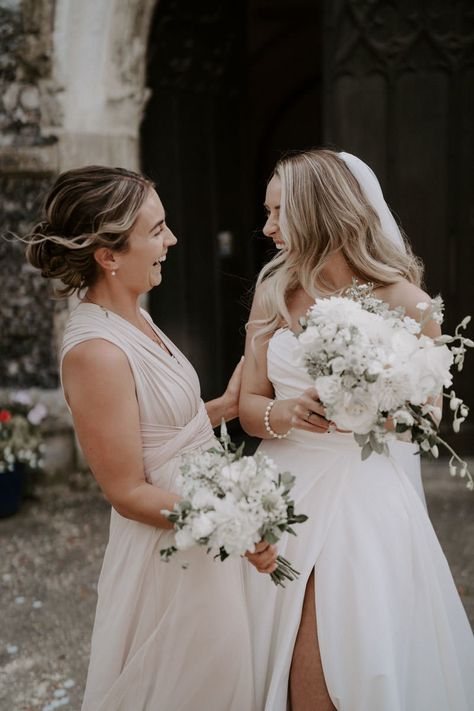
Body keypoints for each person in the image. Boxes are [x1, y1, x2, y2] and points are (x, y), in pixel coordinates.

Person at [24, 165, 277, 711]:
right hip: (173, 548)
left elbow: (159, 433)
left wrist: (226, 406)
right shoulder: (96, 351)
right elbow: (126, 489)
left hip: (203, 526)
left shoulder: (135, 315)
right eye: (157, 229)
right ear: (108, 255)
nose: (172, 240)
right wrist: (233, 519)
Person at [240, 149, 474, 711]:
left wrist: (366, 405)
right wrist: (286, 412)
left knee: (347, 651)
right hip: (285, 491)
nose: (267, 227)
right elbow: (249, 404)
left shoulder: (409, 302)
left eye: (278, 212)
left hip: (364, 502)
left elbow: (430, 419)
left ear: (319, 214)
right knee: (275, 646)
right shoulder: (274, 291)